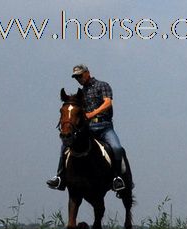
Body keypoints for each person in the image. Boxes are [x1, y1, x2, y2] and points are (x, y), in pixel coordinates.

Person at [47, 64, 127, 192]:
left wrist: (92, 113)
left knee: (117, 148)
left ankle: (117, 177)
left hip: (104, 126)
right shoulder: (81, 93)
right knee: (65, 146)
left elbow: (108, 103)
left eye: (80, 75)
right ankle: (60, 177)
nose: (79, 79)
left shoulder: (103, 85)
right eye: (76, 77)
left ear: (87, 73)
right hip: (88, 128)